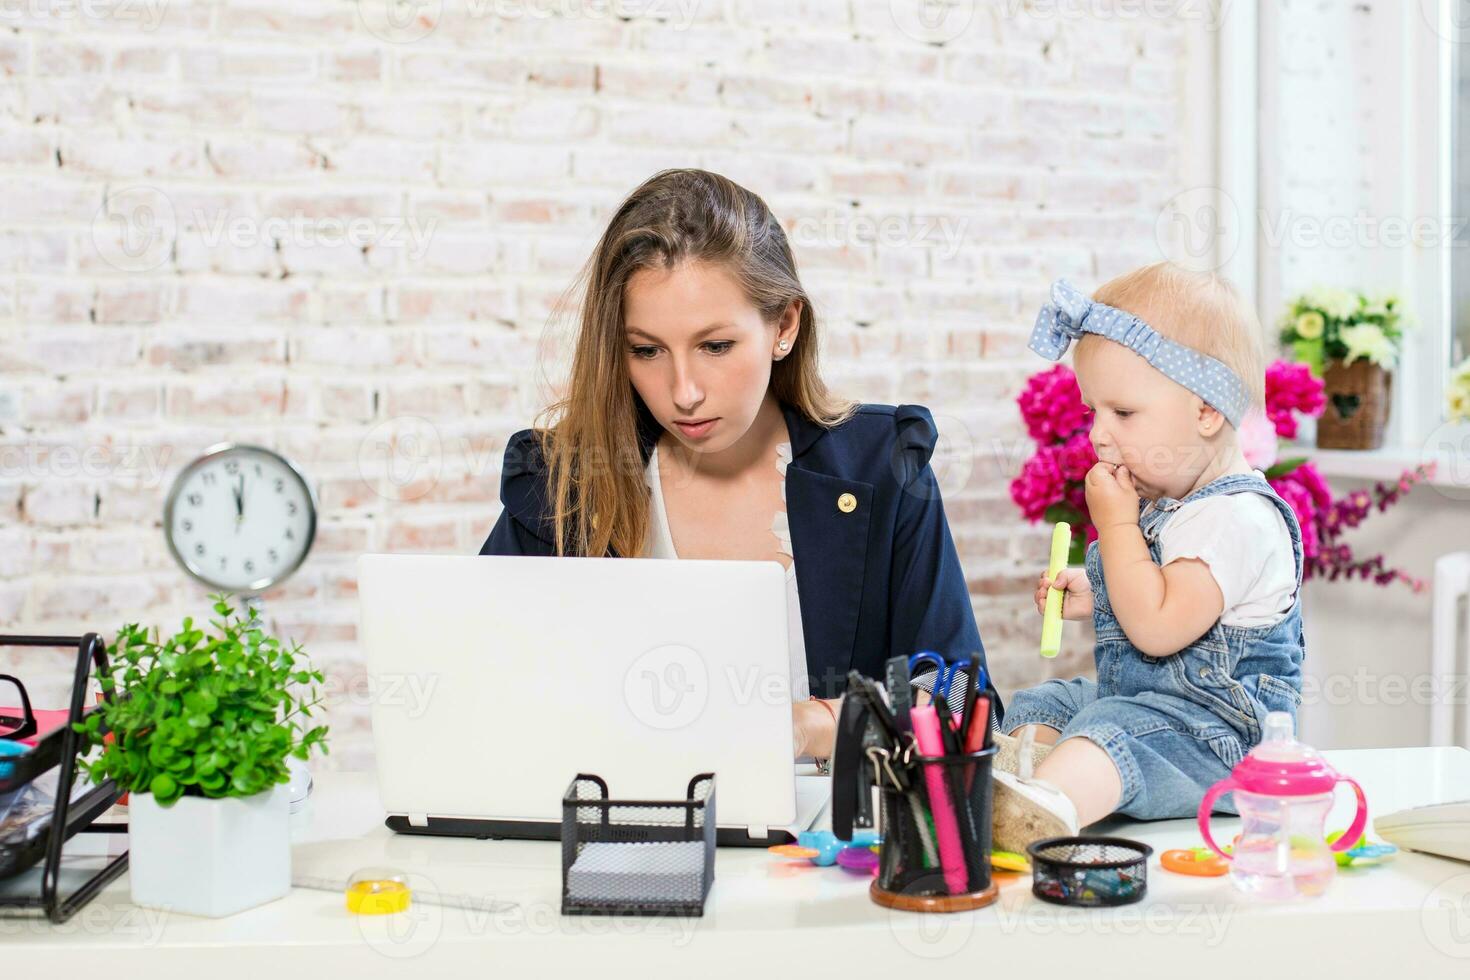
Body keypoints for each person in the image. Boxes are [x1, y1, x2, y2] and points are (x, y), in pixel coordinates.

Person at [478, 168, 1000, 763]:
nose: (684, 392)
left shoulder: (881, 468)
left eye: (715, 346)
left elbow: (965, 701)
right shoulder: (561, 484)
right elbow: (479, 681)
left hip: (821, 846)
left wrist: (814, 726)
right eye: (645, 351)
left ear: (784, 326)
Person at [987, 263, 1305, 852]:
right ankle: (1024, 781)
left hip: (1218, 739)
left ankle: (1046, 805)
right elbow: (1157, 592)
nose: (1099, 437)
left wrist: (1114, 523)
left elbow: (1157, 628)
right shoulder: (1184, 505)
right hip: (1153, 707)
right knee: (1049, 701)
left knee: (1113, 733)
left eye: (1123, 414)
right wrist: (1099, 591)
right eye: (1093, 414)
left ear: (1206, 410)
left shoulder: (1236, 519)